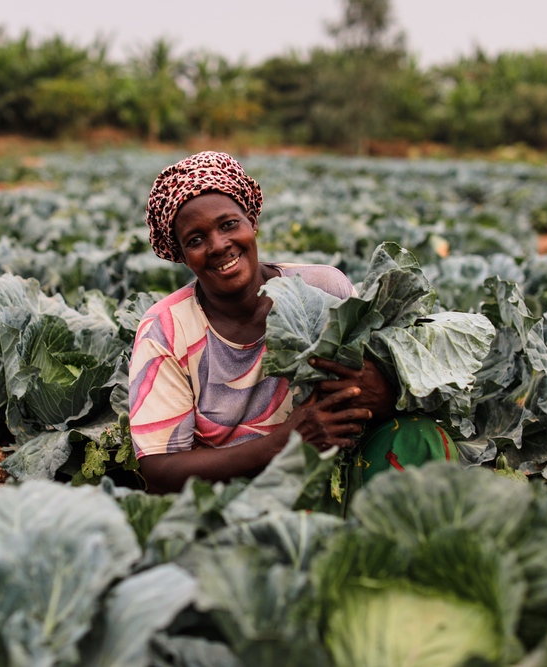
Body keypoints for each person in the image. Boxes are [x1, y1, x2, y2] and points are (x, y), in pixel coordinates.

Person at [127, 151, 400, 494]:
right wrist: (284, 443)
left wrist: (387, 393)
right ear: (180, 255)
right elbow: (159, 470)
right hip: (231, 501)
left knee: (418, 436)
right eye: (195, 241)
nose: (218, 245)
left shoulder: (324, 289)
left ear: (251, 221)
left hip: (337, 476)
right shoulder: (164, 330)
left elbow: (376, 394)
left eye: (229, 225)